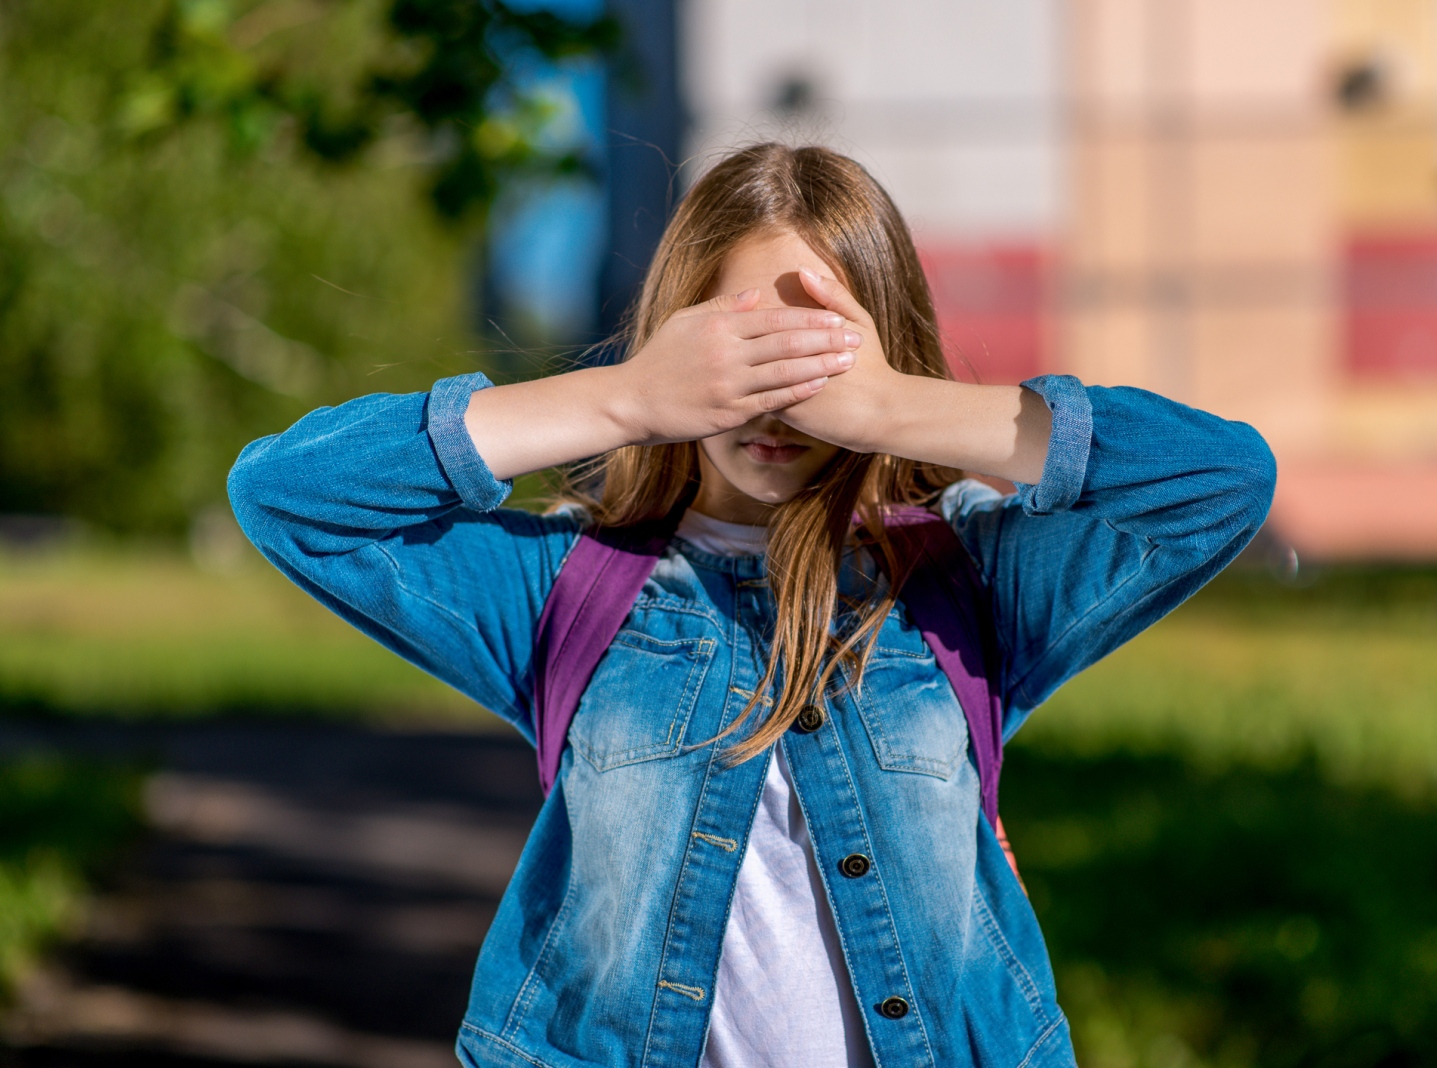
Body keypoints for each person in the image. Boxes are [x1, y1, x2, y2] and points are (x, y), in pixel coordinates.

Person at [228, 143, 1276, 1068]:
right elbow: (289, 496)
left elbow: (1218, 481)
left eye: (812, 352)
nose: (776, 399)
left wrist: (893, 409)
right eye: (742, 351)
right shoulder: (572, 591)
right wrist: (623, 397)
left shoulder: (969, 586)